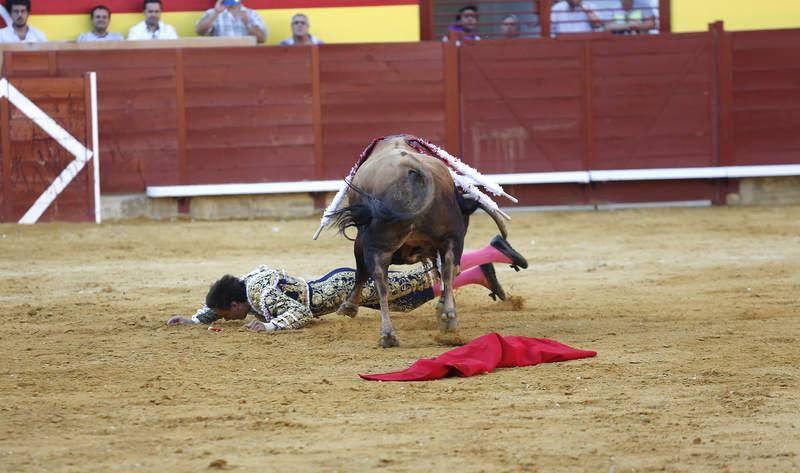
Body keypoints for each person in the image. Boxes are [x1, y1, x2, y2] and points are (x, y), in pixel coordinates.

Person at [166, 235, 529, 332]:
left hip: (340, 291)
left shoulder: (263, 294)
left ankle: (489, 252)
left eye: (224, 315)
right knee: (407, 301)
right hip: (334, 283)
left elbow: (298, 312)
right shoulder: (243, 285)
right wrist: (197, 319)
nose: (228, 319)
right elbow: (221, 303)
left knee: (418, 277)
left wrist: (272, 325)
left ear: (236, 306)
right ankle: (479, 274)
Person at [195, 0, 267, 44]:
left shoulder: (251, 13)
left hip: (247, 57)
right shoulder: (212, 13)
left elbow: (262, 39)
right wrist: (215, 13)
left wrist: (248, 23)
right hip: (221, 57)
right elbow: (200, 32)